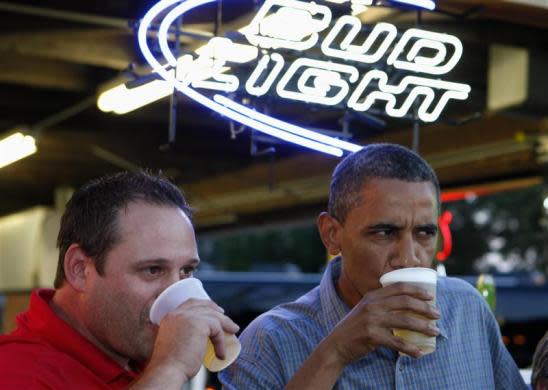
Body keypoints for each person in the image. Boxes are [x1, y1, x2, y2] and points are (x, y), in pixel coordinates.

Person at [220, 143, 526, 389]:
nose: (408, 257)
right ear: (331, 234)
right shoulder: (270, 341)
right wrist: (335, 353)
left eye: (425, 233)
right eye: (384, 232)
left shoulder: (466, 310)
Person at [0, 171, 239, 389]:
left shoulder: (132, 355)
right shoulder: (14, 372)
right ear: (79, 269)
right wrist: (169, 368)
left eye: (187, 270)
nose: (177, 291)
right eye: (153, 270)